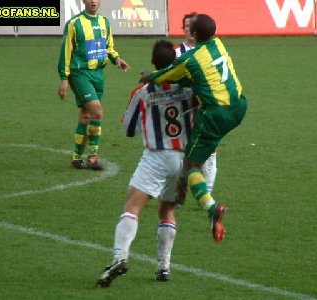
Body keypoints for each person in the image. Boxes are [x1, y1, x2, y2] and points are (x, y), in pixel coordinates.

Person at [96, 40, 196, 287]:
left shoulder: (142, 91)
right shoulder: (190, 89)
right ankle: (164, 267)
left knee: (133, 205)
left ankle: (120, 257)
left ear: (152, 63)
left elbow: (128, 128)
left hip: (156, 156)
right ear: (174, 63)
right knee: (168, 209)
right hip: (184, 159)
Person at [141, 14, 248, 242]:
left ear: (194, 34)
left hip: (216, 113)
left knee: (190, 165)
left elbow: (167, 76)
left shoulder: (191, 59)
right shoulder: (218, 44)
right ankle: (199, 197)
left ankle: (211, 207)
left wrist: (150, 76)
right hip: (239, 106)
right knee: (205, 148)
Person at [58, 0, 130, 170]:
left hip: (98, 74)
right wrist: (64, 78)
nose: (93, 1)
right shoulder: (74, 24)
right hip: (80, 73)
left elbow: (108, 47)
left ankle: (76, 159)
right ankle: (93, 157)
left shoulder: (105, 22)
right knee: (97, 111)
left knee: (86, 114)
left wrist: (117, 59)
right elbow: (66, 52)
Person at [175, 12, 218, 194]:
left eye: (192, 27)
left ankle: (207, 190)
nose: (190, 30)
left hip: (203, 107)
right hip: (180, 109)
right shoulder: (176, 52)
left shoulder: (208, 50)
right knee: (180, 151)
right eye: (186, 27)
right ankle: (178, 191)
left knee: (210, 149)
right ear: (183, 29)